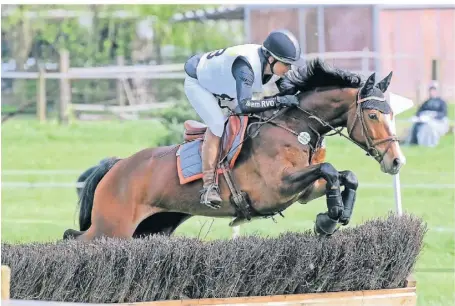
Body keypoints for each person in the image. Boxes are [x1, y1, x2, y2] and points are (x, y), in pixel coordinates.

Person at [183, 29, 303, 209]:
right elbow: (244, 106)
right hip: (199, 85)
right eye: (286, 64)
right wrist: (278, 101)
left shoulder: (270, 65)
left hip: (224, 86)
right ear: (271, 59)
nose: (289, 69)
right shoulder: (246, 67)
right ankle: (209, 187)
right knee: (217, 125)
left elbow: (288, 90)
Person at [406, 82, 449, 147]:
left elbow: (443, 113)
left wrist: (433, 116)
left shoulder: (441, 102)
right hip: (424, 121)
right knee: (414, 126)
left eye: (434, 90)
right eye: (431, 90)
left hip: (437, 122)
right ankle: (413, 142)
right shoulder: (426, 102)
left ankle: (428, 143)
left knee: (428, 127)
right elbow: (419, 112)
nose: (432, 92)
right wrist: (418, 117)